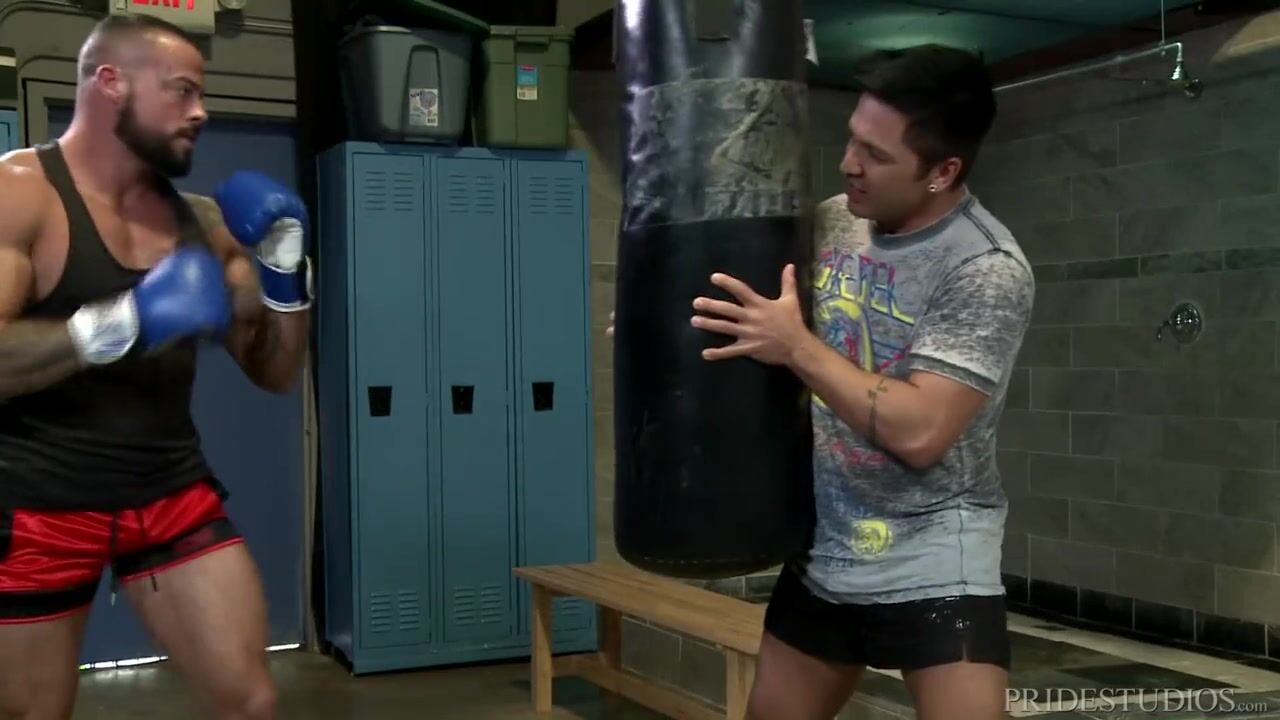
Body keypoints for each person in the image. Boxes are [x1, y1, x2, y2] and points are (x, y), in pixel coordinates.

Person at [610, 44, 1033, 719]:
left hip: (932, 561)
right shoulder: (836, 221)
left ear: (942, 171)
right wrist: (661, 336)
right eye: (852, 139)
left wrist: (798, 348)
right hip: (824, 549)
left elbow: (923, 430)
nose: (848, 163)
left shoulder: (984, 268)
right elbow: (753, 322)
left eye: (876, 154)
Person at [0, 14, 311, 720]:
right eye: (181, 90)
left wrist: (285, 274)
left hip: (168, 489)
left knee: (251, 702)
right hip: (38, 501)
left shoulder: (202, 224)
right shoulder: (20, 194)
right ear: (110, 83)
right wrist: (120, 325)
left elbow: (275, 372)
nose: (200, 111)